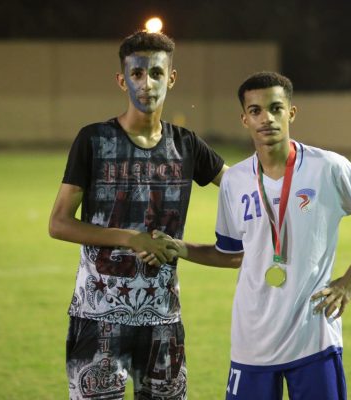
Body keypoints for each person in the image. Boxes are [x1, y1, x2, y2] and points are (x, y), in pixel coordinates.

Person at [170, 71, 351, 400]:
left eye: (276, 108)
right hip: (252, 340)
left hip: (313, 336)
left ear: (291, 112)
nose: (267, 118)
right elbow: (231, 255)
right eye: (256, 111)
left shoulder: (328, 168)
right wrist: (180, 248)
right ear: (245, 119)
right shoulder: (234, 181)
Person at [48, 30, 227, 400]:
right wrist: (130, 238)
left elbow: (244, 188)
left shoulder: (186, 145)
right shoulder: (94, 140)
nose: (147, 84)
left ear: (171, 78)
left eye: (157, 73)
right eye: (137, 74)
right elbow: (59, 223)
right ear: (122, 80)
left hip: (163, 319)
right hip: (98, 316)